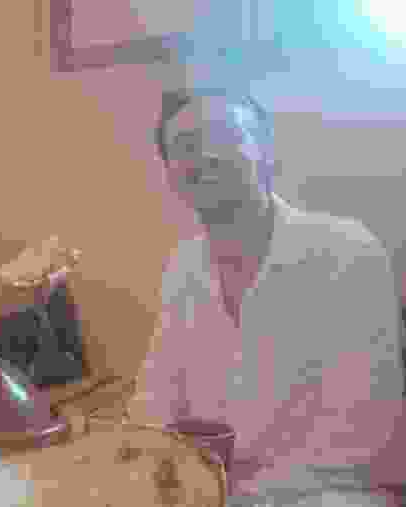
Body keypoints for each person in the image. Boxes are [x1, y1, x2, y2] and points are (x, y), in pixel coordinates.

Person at [135, 88, 405, 506]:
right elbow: (156, 394)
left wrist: (238, 492)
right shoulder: (182, 266)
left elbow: (363, 433)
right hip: (215, 489)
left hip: (335, 492)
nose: (205, 155)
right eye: (185, 146)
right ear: (171, 176)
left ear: (267, 153)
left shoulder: (347, 251)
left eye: (224, 135)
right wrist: (141, 463)